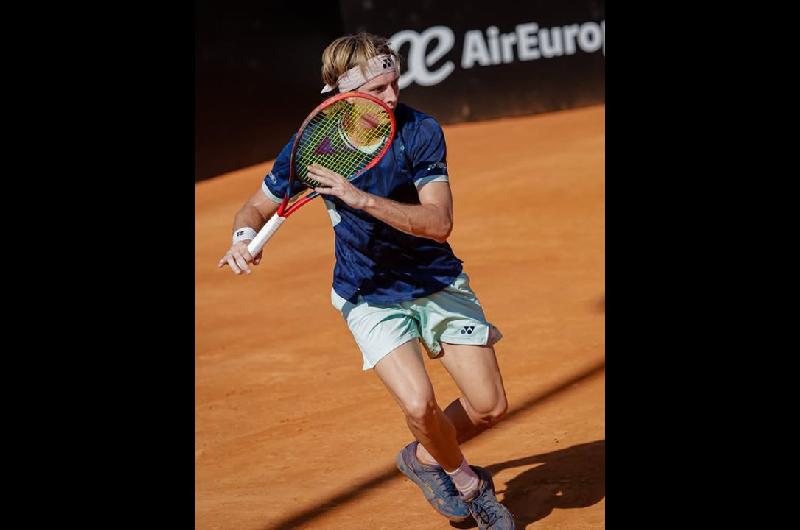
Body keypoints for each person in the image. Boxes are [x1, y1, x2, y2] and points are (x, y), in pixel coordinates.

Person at [218, 32, 514, 529]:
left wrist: (362, 199)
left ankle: (424, 458)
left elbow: (439, 223)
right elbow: (254, 207)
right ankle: (467, 482)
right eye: (377, 90)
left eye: (394, 83)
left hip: (436, 280)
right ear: (342, 93)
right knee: (420, 405)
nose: (391, 97)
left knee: (489, 407)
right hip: (368, 293)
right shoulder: (315, 144)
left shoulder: (419, 130)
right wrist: (245, 236)